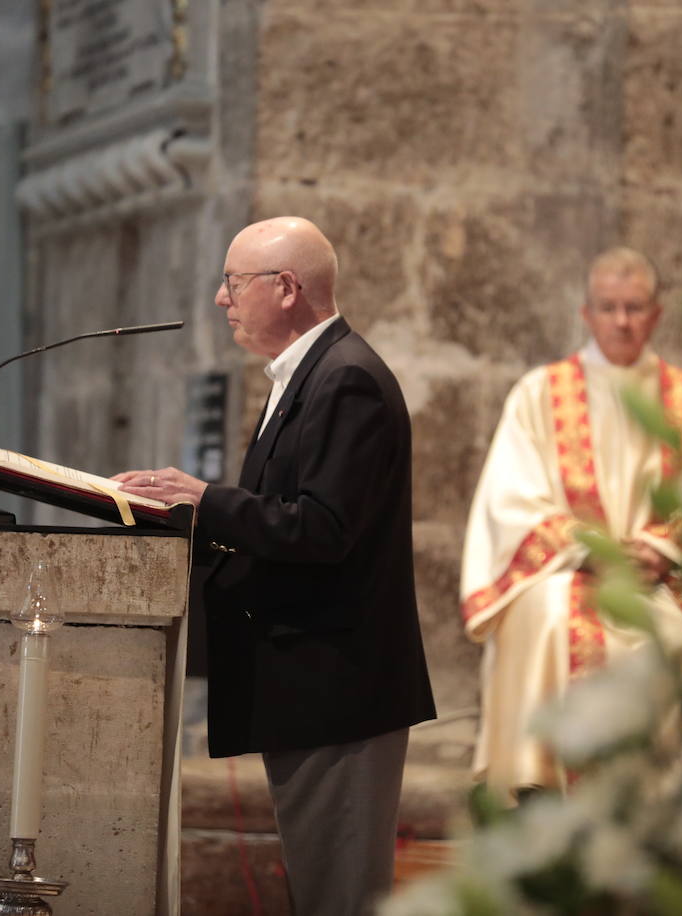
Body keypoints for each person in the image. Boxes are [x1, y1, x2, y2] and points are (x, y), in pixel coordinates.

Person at [114, 216, 436, 915]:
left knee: (340, 897)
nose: (221, 300)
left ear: (286, 288)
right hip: (311, 690)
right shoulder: (309, 375)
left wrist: (205, 500)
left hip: (339, 692)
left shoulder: (345, 380)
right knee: (320, 890)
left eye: (233, 283)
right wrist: (177, 521)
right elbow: (278, 516)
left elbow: (322, 527)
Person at [460, 246, 682, 799]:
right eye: (609, 307)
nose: (622, 320)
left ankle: (676, 800)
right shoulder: (539, 393)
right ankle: (543, 789)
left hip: (662, 572)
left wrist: (664, 549)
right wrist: (592, 548)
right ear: (586, 313)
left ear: (657, 314)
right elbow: (512, 499)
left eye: (635, 307)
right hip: (570, 569)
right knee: (548, 615)